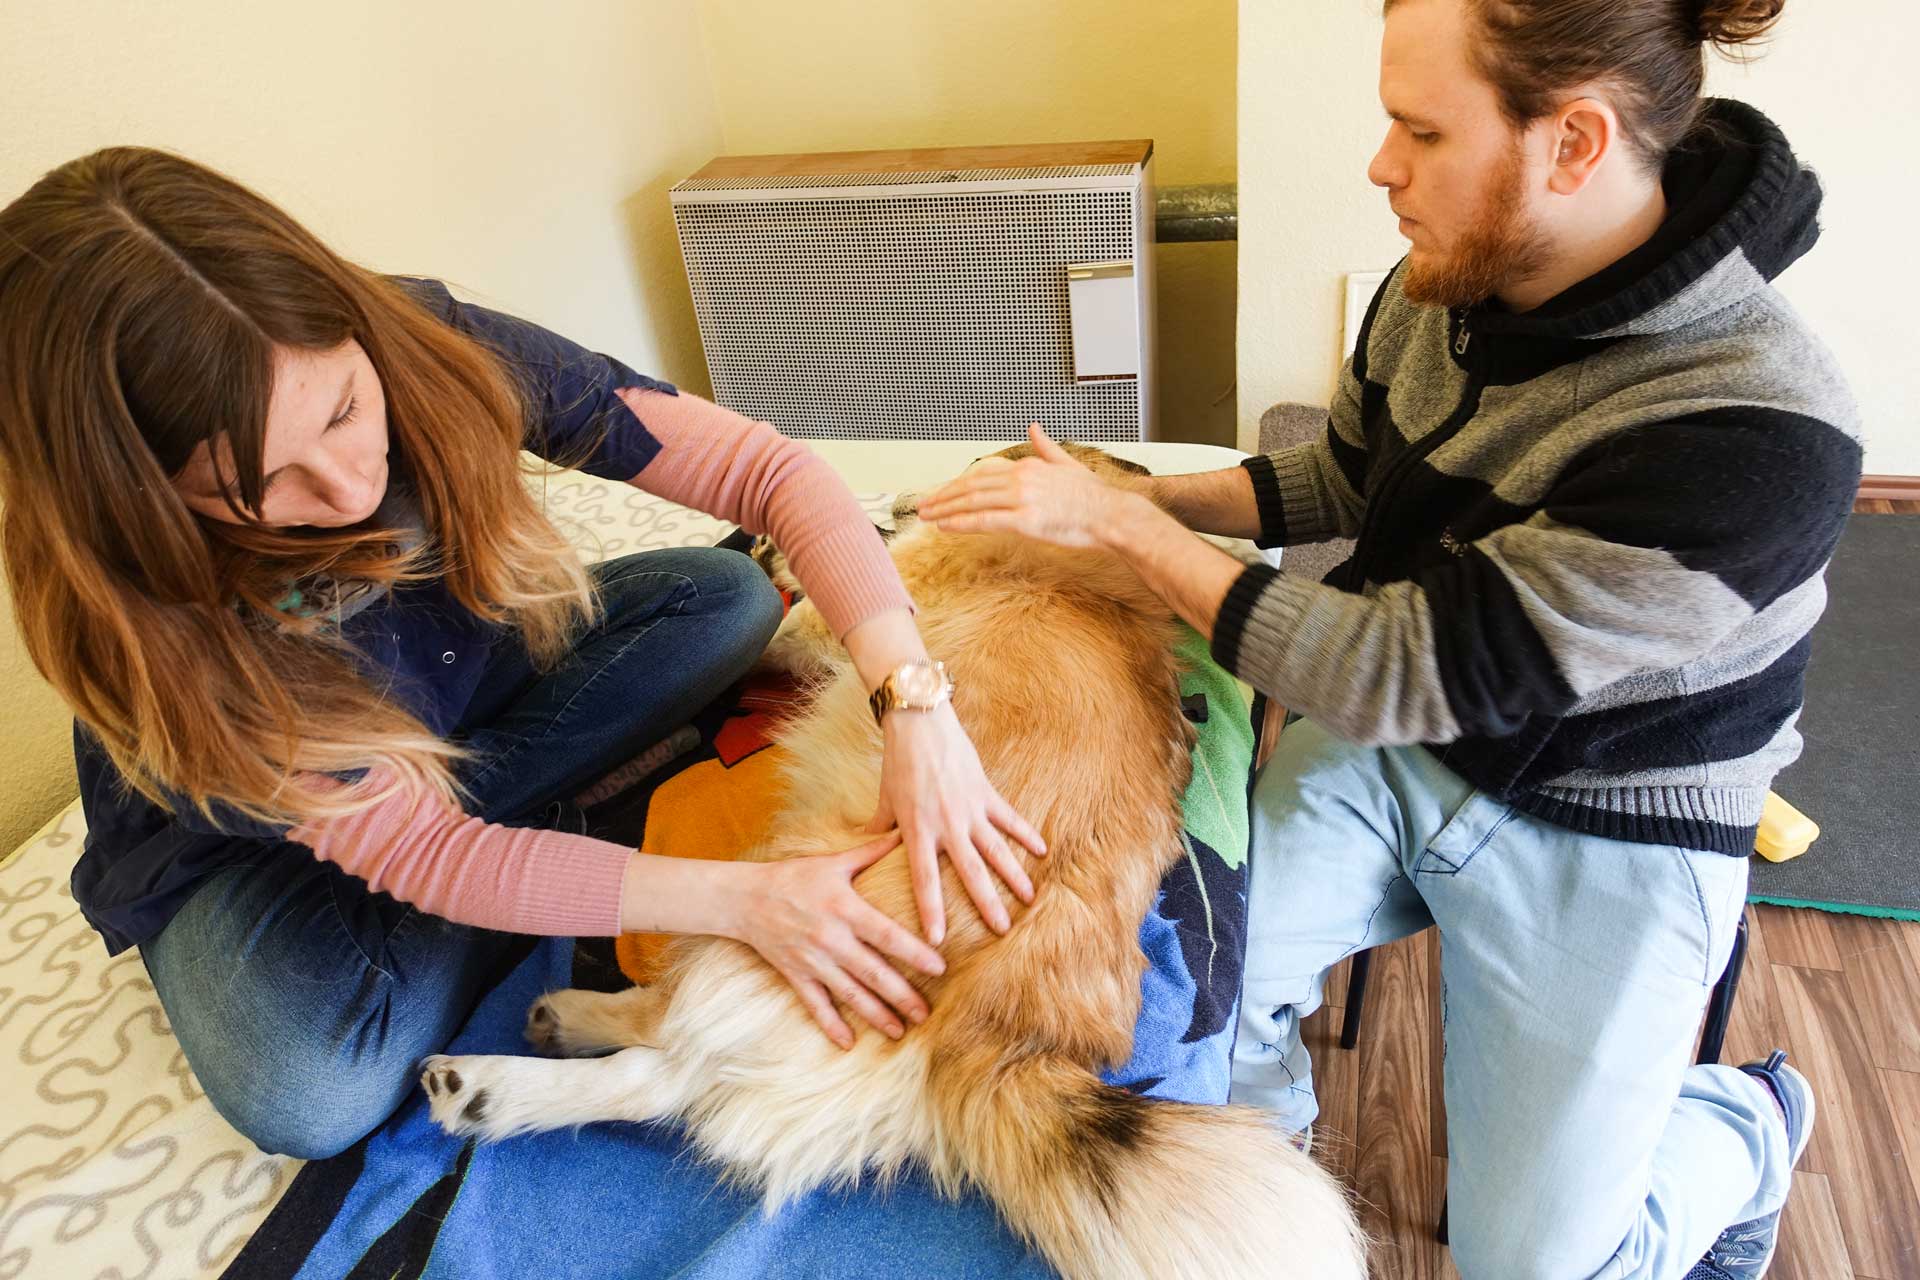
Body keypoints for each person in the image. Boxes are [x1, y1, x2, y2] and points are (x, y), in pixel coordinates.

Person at [919, 0, 1856, 1275]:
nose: (1381, 165)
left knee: (1536, 1262)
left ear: (1572, 143)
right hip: (1418, 750)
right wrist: (1144, 500)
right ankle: (1279, 1161)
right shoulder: (1448, 279)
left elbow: (1400, 669)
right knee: (1185, 1006)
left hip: (1610, 813)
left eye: (1421, 129)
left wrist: (1124, 534)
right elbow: (1353, 476)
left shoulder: (1756, 426)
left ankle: (1749, 1121)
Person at [0, 147, 1044, 1160]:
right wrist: (743, 898)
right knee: (308, 1088)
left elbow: (768, 472)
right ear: (141, 505)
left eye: (347, 409)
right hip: (260, 843)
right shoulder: (137, 613)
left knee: (724, 597)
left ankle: (535, 859)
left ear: (353, 327)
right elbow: (423, 851)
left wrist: (916, 701)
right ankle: (536, 856)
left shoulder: (426, 334)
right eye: (260, 483)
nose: (347, 482)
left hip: (457, 706)